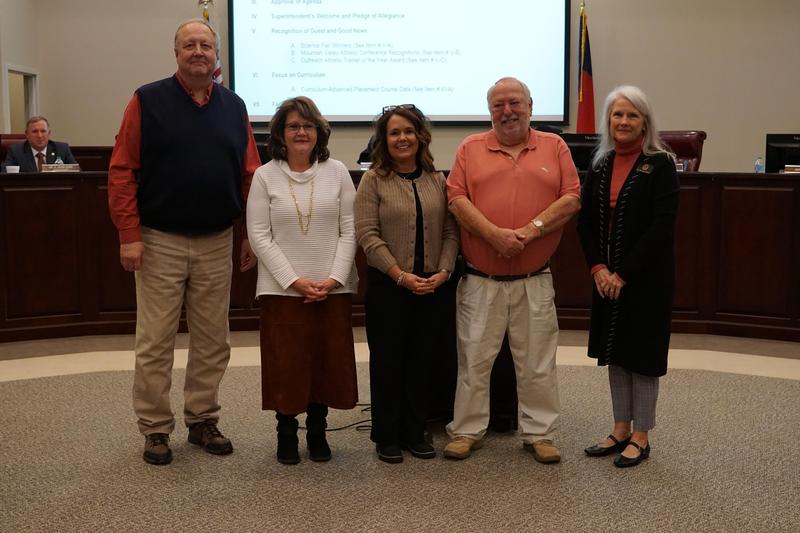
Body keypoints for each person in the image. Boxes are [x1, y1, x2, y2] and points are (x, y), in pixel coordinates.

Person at [107, 18, 261, 466]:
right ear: (176, 53)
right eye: (190, 45)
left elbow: (250, 173)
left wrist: (250, 233)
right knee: (155, 341)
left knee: (214, 340)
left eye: (206, 46)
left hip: (217, 239)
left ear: (216, 56)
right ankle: (155, 429)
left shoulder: (234, 106)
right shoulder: (146, 100)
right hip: (159, 241)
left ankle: (202, 419)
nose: (199, 51)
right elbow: (121, 171)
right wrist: (129, 235)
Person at [444, 77, 581, 463]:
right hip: (480, 278)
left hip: (533, 278)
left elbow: (571, 197)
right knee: (473, 358)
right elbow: (455, 198)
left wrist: (527, 232)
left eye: (515, 103)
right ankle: (467, 430)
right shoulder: (470, 147)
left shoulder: (554, 146)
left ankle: (540, 433)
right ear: (490, 112)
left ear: (531, 106)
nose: (507, 111)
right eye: (498, 105)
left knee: (537, 361)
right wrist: (493, 235)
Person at [246, 96, 358, 465]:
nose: (300, 132)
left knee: (326, 361)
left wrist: (333, 278)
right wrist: (294, 280)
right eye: (293, 126)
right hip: (282, 290)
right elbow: (260, 235)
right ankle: (286, 431)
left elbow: (350, 230)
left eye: (307, 126)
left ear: (319, 132)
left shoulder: (338, 171)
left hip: (332, 287)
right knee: (287, 363)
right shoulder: (265, 176)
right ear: (280, 132)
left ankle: (318, 430)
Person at [577, 85, 679, 468]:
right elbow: (585, 222)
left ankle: (642, 435)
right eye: (617, 114)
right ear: (608, 120)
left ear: (644, 123)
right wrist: (599, 269)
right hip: (606, 279)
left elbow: (661, 227)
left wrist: (623, 273)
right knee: (616, 354)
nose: (623, 121)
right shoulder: (600, 163)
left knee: (642, 356)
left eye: (631, 115)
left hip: (646, 279)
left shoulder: (661, 164)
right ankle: (620, 428)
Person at [354, 105, 459, 464]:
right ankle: (387, 435)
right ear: (384, 139)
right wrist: (400, 275)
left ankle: (416, 431)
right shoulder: (374, 180)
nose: (402, 138)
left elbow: (449, 230)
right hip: (389, 286)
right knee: (388, 361)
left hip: (433, 286)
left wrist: (443, 272)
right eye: (394, 133)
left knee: (422, 361)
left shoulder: (435, 178)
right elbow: (367, 235)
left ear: (420, 137)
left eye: (408, 132)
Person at [2, 116, 77, 172]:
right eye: (35, 131)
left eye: (43, 131)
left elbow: (77, 172)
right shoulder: (16, 151)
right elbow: (5, 175)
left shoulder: (62, 149)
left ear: (49, 133)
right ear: (27, 134)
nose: (39, 136)